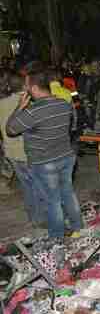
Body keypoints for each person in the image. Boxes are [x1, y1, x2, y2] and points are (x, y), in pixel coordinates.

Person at [6, 63, 82, 240]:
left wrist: (19, 107)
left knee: (52, 200)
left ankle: (57, 236)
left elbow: (10, 129)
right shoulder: (64, 103)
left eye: (26, 85)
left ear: (33, 87)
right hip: (66, 156)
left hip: (45, 162)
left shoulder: (33, 111)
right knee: (68, 193)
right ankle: (78, 226)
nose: (25, 89)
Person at [0, 73, 45, 228]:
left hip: (11, 153)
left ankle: (33, 218)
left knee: (27, 187)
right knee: (38, 186)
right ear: (25, 86)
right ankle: (41, 219)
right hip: (27, 153)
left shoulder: (2, 102)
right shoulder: (27, 103)